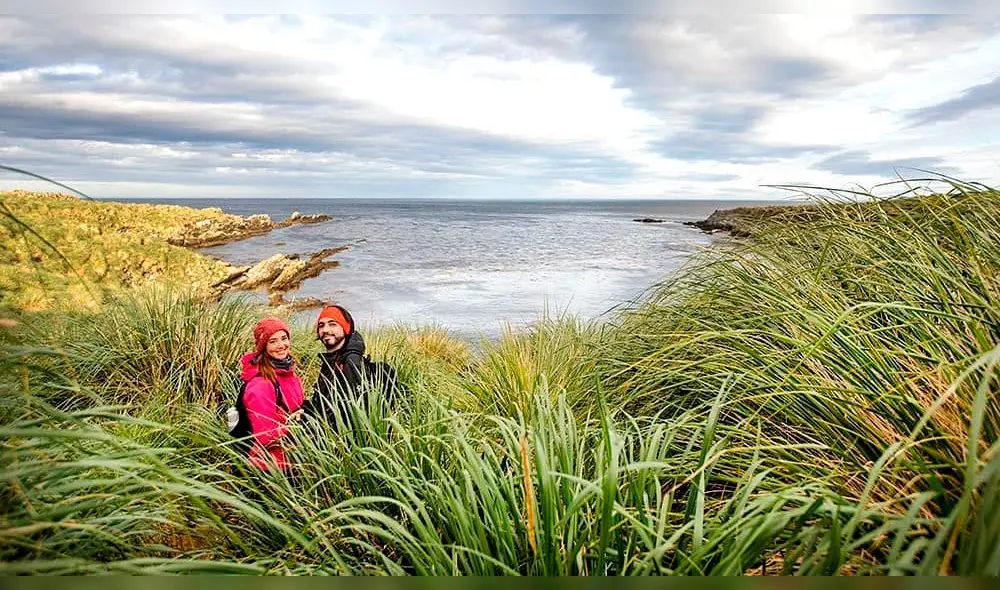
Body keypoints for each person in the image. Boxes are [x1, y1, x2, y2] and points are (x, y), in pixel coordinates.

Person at [238, 317, 305, 471]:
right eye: (273, 341)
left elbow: (296, 407)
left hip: (292, 457)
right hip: (269, 467)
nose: (281, 345)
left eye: (284, 338)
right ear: (263, 347)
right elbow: (265, 435)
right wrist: (299, 426)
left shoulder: (289, 374)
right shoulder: (261, 384)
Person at [302, 304, 367, 424]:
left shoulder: (350, 362)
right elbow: (324, 402)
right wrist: (304, 410)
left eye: (332, 324)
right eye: (321, 325)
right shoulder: (331, 360)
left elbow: (350, 415)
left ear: (346, 328)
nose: (325, 330)